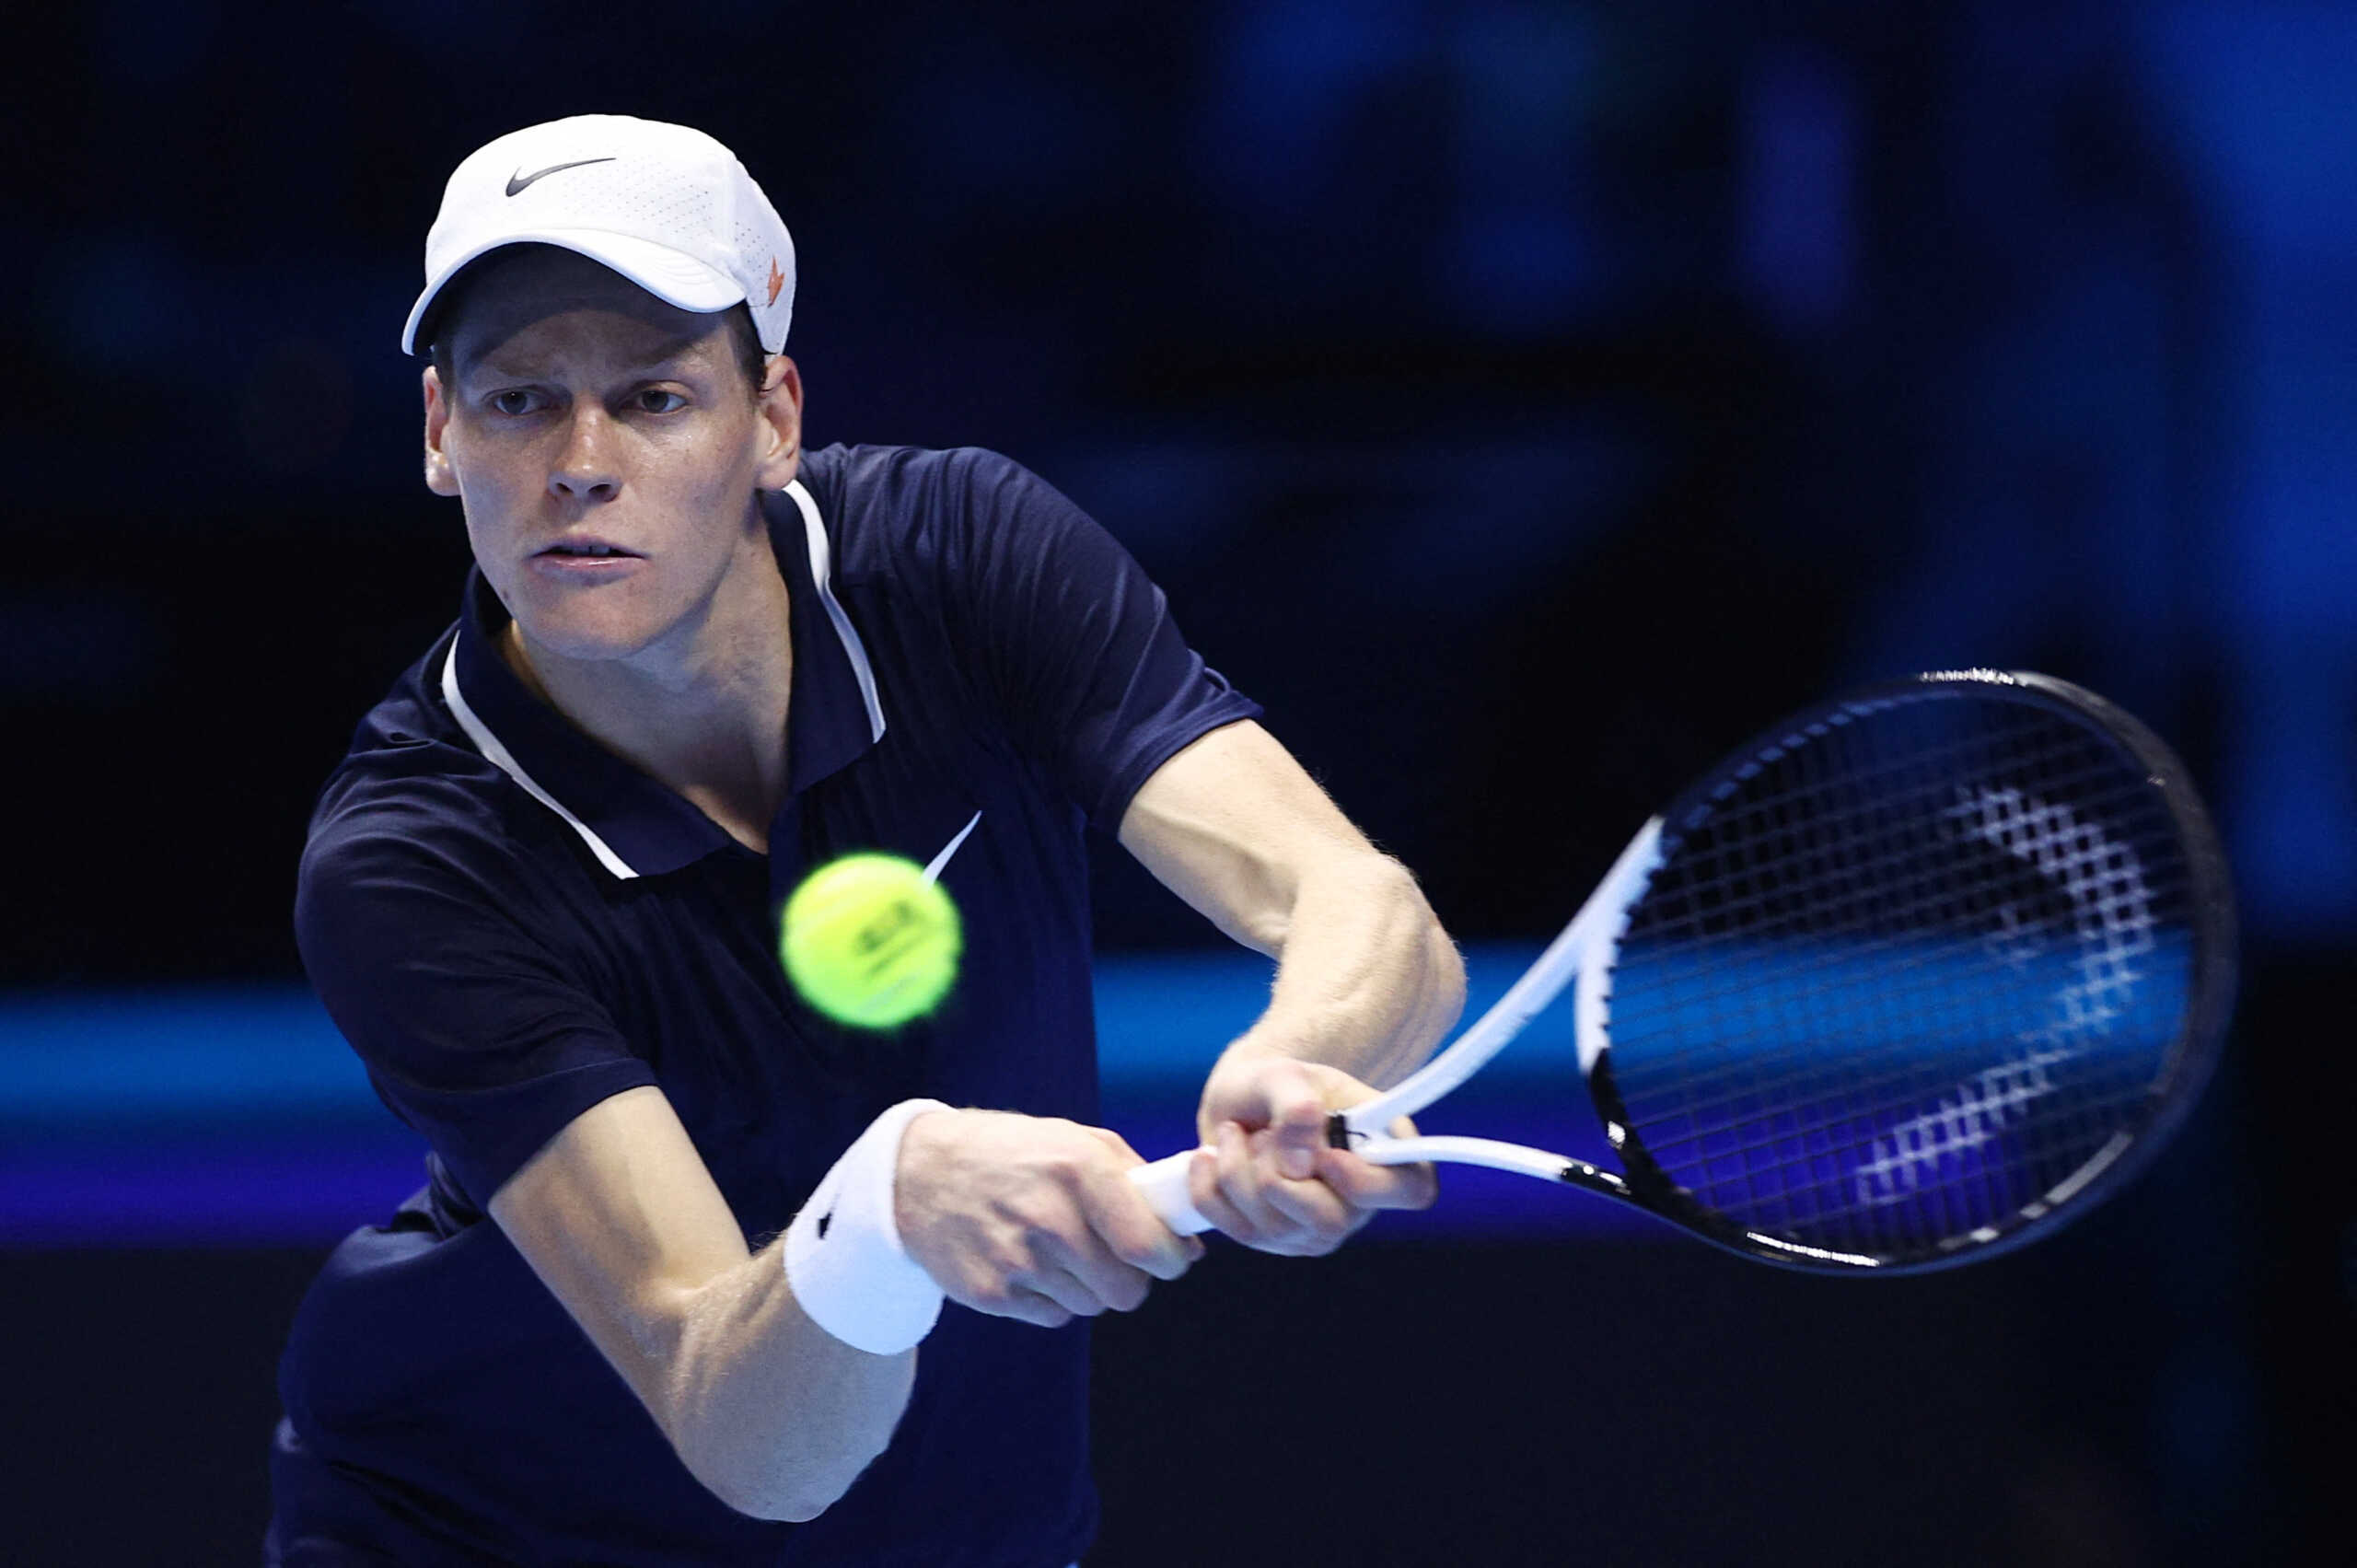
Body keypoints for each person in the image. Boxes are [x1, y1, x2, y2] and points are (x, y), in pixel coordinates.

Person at [263, 114, 1466, 1567]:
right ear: (443, 435)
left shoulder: (960, 557)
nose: (581, 464)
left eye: (653, 398)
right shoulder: (413, 860)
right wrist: (884, 1214)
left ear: (773, 419)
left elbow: (1357, 905)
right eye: (520, 402)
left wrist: (1307, 1061)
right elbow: (744, 1430)